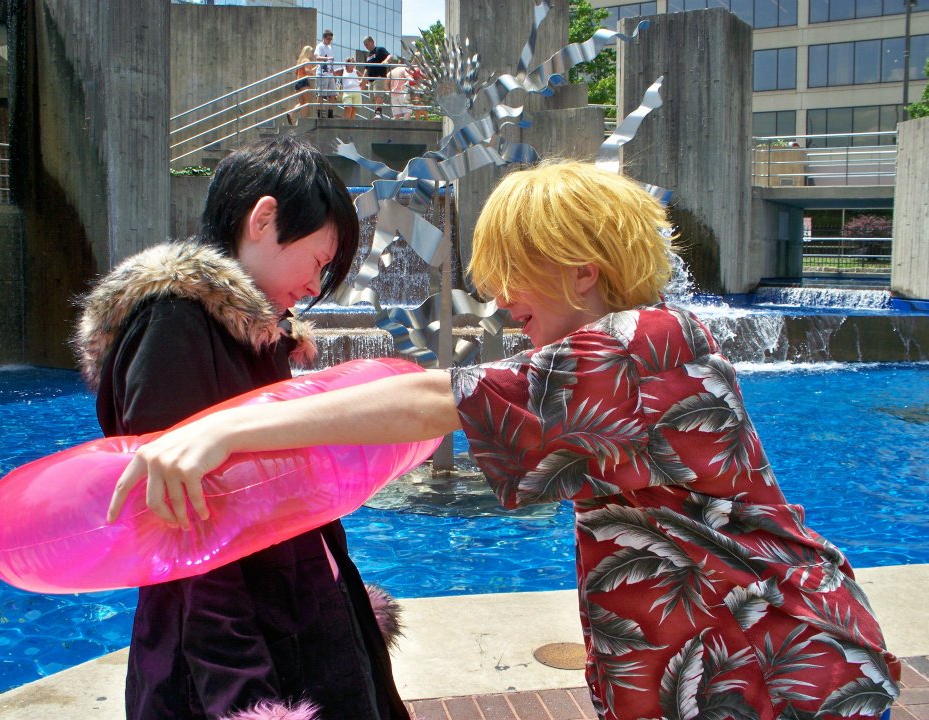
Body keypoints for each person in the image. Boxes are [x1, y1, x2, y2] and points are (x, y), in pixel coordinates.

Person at [109, 161, 901, 720]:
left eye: (514, 269)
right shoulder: (637, 350)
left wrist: (222, 428)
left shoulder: (639, 345)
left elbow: (437, 398)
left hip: (772, 671)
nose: (497, 296)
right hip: (736, 667)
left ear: (583, 270)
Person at [76, 136, 410, 720]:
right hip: (237, 656)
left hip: (293, 616)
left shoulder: (252, 333)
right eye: (318, 261)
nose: (316, 287)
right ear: (263, 219)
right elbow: (188, 541)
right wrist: (247, 699)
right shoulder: (175, 326)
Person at [362, 35, 392, 108]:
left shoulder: (380, 49)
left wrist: (385, 61)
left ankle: (378, 112)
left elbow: (390, 56)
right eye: (365, 45)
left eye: (367, 44)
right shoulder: (369, 55)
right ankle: (377, 112)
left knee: (378, 96)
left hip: (379, 77)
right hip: (371, 80)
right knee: (372, 98)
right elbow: (366, 68)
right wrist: (363, 80)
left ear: (372, 42)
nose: (366, 46)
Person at [287, 45, 315, 123]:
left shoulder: (299, 61)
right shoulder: (307, 60)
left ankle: (291, 113)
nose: (312, 54)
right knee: (306, 103)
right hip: (304, 82)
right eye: (311, 52)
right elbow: (307, 71)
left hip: (298, 82)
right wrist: (313, 72)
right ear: (308, 52)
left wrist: (311, 71)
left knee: (301, 103)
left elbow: (297, 72)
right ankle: (302, 121)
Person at [314, 29, 337, 118]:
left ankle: (330, 114)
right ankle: (319, 113)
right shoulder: (320, 46)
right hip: (322, 73)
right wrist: (327, 58)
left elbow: (331, 63)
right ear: (324, 38)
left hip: (330, 74)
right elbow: (317, 57)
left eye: (331, 39)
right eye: (328, 39)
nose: (329, 40)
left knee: (333, 94)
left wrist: (334, 74)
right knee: (321, 94)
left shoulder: (330, 48)